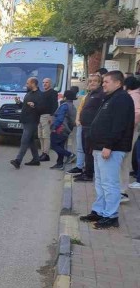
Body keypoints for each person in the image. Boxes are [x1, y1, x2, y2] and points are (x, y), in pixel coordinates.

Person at [78, 71, 135, 229]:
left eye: (106, 82)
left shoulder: (122, 99)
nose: (103, 84)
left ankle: (111, 216)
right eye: (103, 82)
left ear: (118, 83)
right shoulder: (110, 97)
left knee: (110, 184)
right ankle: (99, 211)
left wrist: (108, 145)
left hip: (111, 149)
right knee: (100, 182)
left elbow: (119, 125)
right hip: (99, 147)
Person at [74, 74, 105, 182]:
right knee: (86, 150)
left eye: (95, 81)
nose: (92, 83)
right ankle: (87, 171)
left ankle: (89, 174)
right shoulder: (90, 94)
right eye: (90, 81)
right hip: (85, 127)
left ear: (100, 83)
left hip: (92, 128)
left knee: (90, 151)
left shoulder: (101, 94)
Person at [10, 77, 42, 169]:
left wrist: (34, 106)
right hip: (26, 120)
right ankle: (36, 159)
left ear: (33, 84)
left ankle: (18, 161)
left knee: (24, 141)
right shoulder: (29, 93)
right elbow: (25, 106)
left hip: (32, 121)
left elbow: (42, 108)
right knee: (31, 141)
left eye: (27, 83)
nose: (26, 85)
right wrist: (18, 102)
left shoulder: (40, 95)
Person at [49, 89, 78, 170]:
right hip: (67, 130)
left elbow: (60, 118)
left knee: (53, 145)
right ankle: (60, 164)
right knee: (60, 146)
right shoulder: (72, 106)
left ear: (65, 97)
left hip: (60, 129)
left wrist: (54, 127)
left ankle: (70, 155)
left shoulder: (64, 106)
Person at [38, 78, 59, 162]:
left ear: (50, 83)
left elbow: (55, 105)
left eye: (46, 82)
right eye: (43, 82)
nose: (44, 84)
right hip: (40, 116)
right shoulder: (42, 93)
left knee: (46, 136)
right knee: (40, 135)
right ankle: (42, 152)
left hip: (47, 116)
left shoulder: (53, 92)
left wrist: (51, 116)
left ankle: (46, 154)